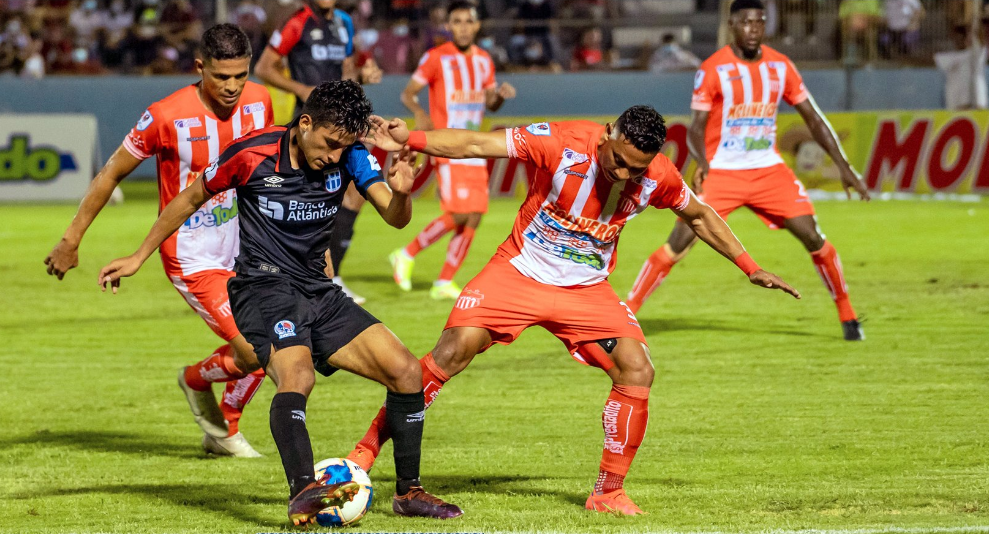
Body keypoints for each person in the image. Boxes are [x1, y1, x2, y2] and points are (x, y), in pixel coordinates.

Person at [351, 106, 801, 515]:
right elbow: (476, 144)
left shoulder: (658, 175)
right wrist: (410, 138)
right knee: (452, 351)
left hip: (586, 291)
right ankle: (364, 453)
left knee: (637, 368)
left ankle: (608, 492)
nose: (624, 173)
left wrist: (750, 267)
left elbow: (699, 215)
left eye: (635, 168)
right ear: (608, 133)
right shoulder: (561, 142)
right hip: (519, 272)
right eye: (619, 160)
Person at [96, 80, 463, 525]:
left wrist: (402, 190)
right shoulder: (251, 153)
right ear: (305, 122)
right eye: (328, 143)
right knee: (298, 375)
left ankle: (408, 493)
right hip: (262, 287)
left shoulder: (351, 153)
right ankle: (303, 490)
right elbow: (190, 198)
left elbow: (394, 217)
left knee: (406, 371)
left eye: (342, 146)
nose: (333, 155)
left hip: (318, 288)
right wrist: (138, 256)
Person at [44, 24, 273, 457]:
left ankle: (223, 431)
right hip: (192, 253)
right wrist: (71, 239)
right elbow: (111, 172)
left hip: (248, 245)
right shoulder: (166, 115)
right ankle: (195, 382)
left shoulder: (260, 101)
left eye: (240, 76)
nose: (232, 87)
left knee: (276, 341)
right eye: (222, 77)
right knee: (259, 351)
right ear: (200, 67)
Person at [624, 0, 870, 341]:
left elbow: (813, 118)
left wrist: (844, 167)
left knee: (813, 236)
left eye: (760, 22)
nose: (754, 28)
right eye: (747, 22)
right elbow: (696, 127)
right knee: (678, 242)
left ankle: (848, 316)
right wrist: (704, 163)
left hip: (768, 170)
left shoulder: (780, 66)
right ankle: (625, 314)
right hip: (724, 172)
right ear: (733, 25)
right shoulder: (713, 69)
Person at [254, 0, 385, 305]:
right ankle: (282, 272)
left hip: (341, 125)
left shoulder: (344, 23)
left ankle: (332, 276)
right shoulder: (298, 22)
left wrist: (362, 75)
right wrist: (299, 89)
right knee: (303, 198)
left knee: (353, 196)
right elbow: (263, 67)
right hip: (312, 129)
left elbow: (347, 71)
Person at [391, 0, 516, 299]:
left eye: (467, 21)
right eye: (456, 21)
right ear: (448, 26)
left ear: (476, 25)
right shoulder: (436, 57)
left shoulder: (484, 60)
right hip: (447, 145)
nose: (462, 27)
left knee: (474, 215)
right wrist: (420, 115)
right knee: (460, 212)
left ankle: (444, 281)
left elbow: (490, 104)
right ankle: (406, 253)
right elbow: (408, 94)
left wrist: (499, 97)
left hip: (474, 144)